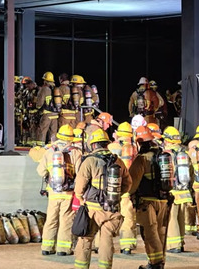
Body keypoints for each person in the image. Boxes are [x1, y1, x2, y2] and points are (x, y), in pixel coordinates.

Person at [73, 129, 130, 269]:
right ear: (106, 144)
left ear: (93, 145)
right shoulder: (118, 161)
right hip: (112, 208)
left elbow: (79, 186)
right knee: (106, 240)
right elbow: (128, 183)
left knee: (86, 239)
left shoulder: (90, 161)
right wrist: (116, 195)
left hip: (92, 209)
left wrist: (81, 199)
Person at [128, 126, 171, 269]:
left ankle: (155, 264)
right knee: (160, 232)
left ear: (139, 142)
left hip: (147, 203)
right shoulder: (162, 155)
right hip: (163, 200)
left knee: (149, 233)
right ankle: (160, 261)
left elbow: (132, 183)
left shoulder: (141, 159)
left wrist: (128, 194)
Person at [37, 125, 83, 257]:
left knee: (51, 219)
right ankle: (63, 249)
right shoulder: (75, 152)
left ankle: (47, 247)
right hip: (68, 193)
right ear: (71, 138)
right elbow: (80, 173)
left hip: (53, 192)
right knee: (66, 220)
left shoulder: (49, 151)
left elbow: (41, 172)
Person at [161, 126, 194, 254]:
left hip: (172, 192)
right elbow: (191, 172)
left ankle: (174, 245)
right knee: (181, 218)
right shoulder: (184, 154)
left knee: (171, 219)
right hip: (184, 192)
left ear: (168, 140)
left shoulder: (165, 154)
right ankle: (180, 243)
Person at [108, 122, 138, 254]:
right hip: (125, 188)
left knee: (105, 217)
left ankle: (99, 244)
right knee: (127, 217)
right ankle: (126, 246)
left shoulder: (110, 146)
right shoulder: (133, 147)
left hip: (109, 188)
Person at [36, 72, 61, 145]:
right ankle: (53, 147)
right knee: (53, 132)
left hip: (47, 114)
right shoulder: (55, 89)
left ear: (44, 80)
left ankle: (40, 147)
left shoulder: (44, 89)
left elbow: (40, 102)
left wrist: (38, 108)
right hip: (55, 114)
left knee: (42, 131)